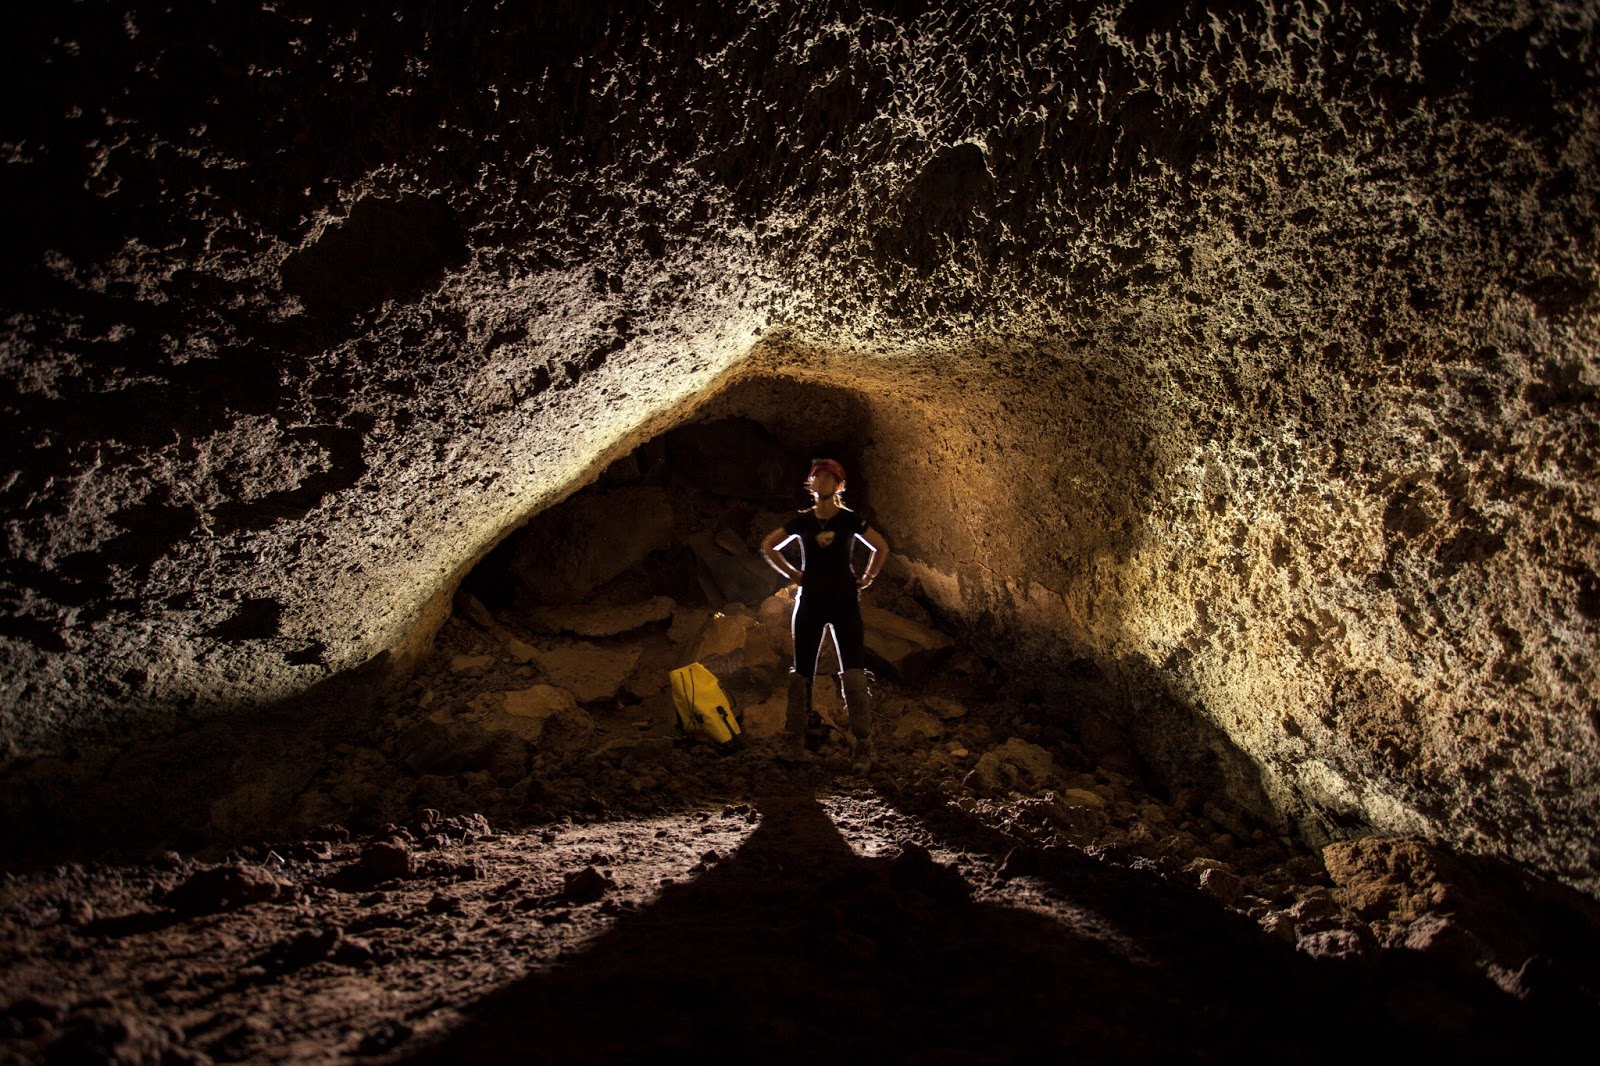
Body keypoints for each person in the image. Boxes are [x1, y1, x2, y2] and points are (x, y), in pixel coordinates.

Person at [758, 458, 890, 772]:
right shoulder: (802, 521)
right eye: (818, 476)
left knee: (853, 671)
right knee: (801, 673)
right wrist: (793, 574)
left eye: (830, 477)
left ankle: (864, 746)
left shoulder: (849, 520)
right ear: (811, 484)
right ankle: (795, 743)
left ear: (839, 485)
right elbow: (769, 545)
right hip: (810, 602)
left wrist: (868, 577)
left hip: (844, 602)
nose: (823, 481)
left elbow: (880, 547)